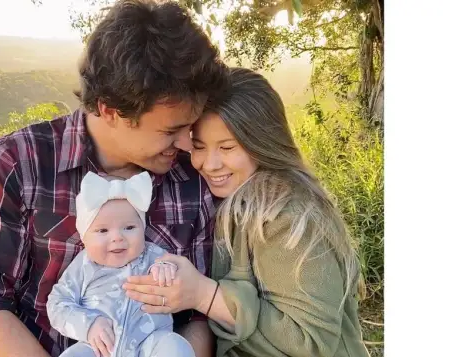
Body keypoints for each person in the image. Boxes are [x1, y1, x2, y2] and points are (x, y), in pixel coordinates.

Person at [0, 1, 227, 356]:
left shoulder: (193, 175)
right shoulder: (17, 163)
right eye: (172, 130)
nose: (188, 143)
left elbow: (200, 315)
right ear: (110, 109)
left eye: (191, 125)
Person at [123, 67, 371, 357]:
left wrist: (203, 295)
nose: (209, 164)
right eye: (199, 147)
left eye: (227, 147)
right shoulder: (229, 197)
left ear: (261, 143)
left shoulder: (286, 215)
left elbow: (311, 344)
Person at [47, 171, 194, 357]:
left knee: (174, 345)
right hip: (99, 349)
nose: (117, 237)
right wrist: (89, 324)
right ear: (85, 237)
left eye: (129, 227)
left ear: (142, 228)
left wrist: (167, 270)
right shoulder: (84, 266)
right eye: (102, 230)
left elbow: (180, 276)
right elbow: (57, 304)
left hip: (149, 344)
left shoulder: (154, 256)